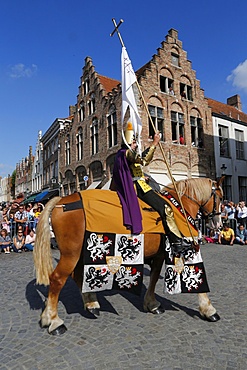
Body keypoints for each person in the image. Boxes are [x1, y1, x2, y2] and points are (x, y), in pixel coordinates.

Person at [111, 122, 192, 255]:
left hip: (140, 183)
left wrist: (142, 176)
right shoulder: (125, 153)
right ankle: (177, 242)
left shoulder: (123, 154)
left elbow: (132, 169)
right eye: (134, 142)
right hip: (138, 188)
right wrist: (154, 143)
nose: (136, 145)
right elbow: (143, 160)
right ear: (128, 142)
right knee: (166, 208)